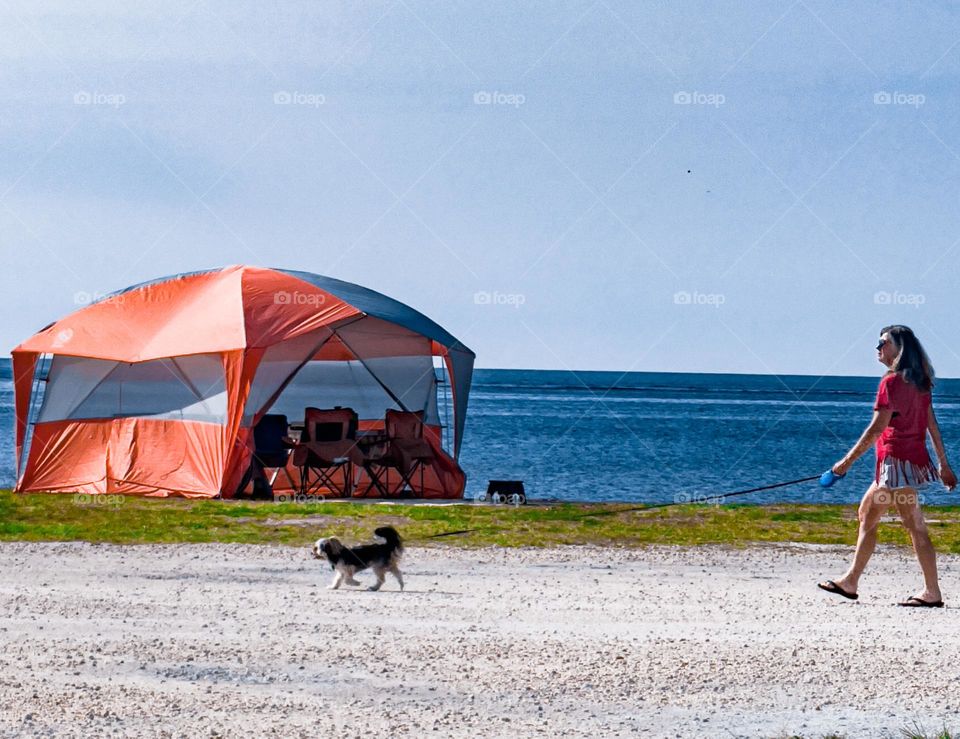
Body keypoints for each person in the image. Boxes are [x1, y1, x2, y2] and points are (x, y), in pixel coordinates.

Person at [818, 325, 956, 606]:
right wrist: (943, 465)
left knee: (914, 525)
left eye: (883, 343)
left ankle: (932, 592)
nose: (878, 348)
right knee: (867, 514)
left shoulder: (891, 383)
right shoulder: (921, 383)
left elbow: (876, 429)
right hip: (905, 464)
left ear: (899, 348)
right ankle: (850, 581)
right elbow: (932, 426)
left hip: (896, 466)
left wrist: (844, 464)